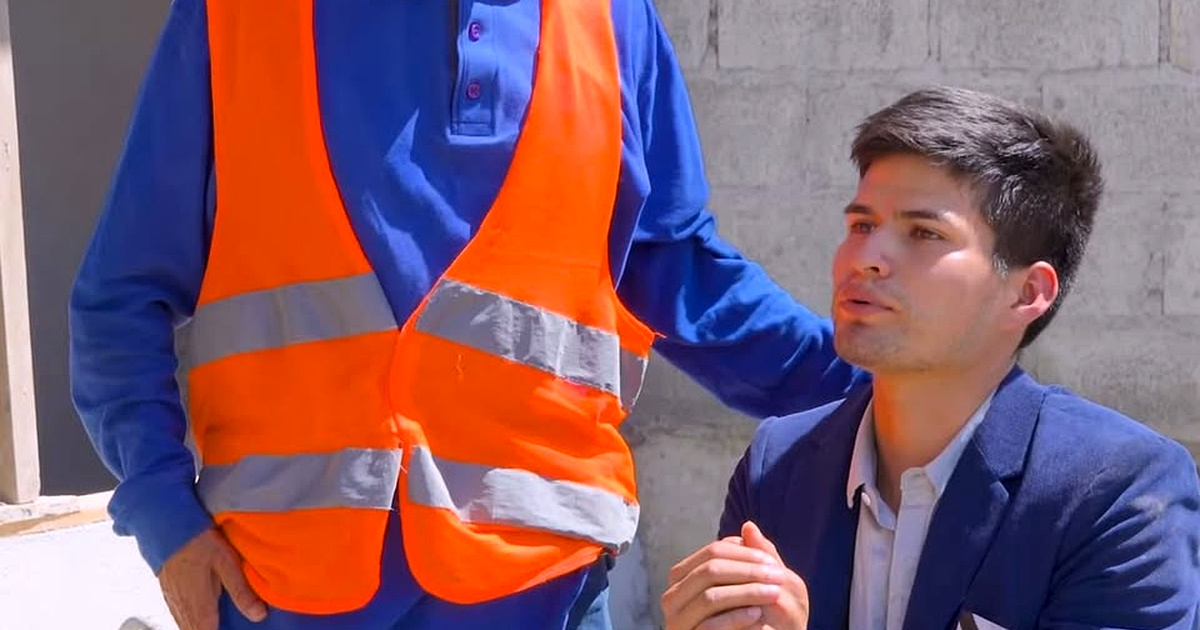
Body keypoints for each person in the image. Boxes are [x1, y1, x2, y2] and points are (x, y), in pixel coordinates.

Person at [69, 1, 867, 629]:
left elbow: (682, 275)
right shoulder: (236, 15)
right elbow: (120, 297)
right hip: (284, 593)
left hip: (546, 590)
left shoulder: (613, 18)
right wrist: (165, 518)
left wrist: (879, 384)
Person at [661, 86, 1200, 630]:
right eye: (862, 225)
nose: (867, 258)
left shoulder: (1118, 491)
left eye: (924, 233)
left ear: (1027, 293)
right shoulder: (779, 466)